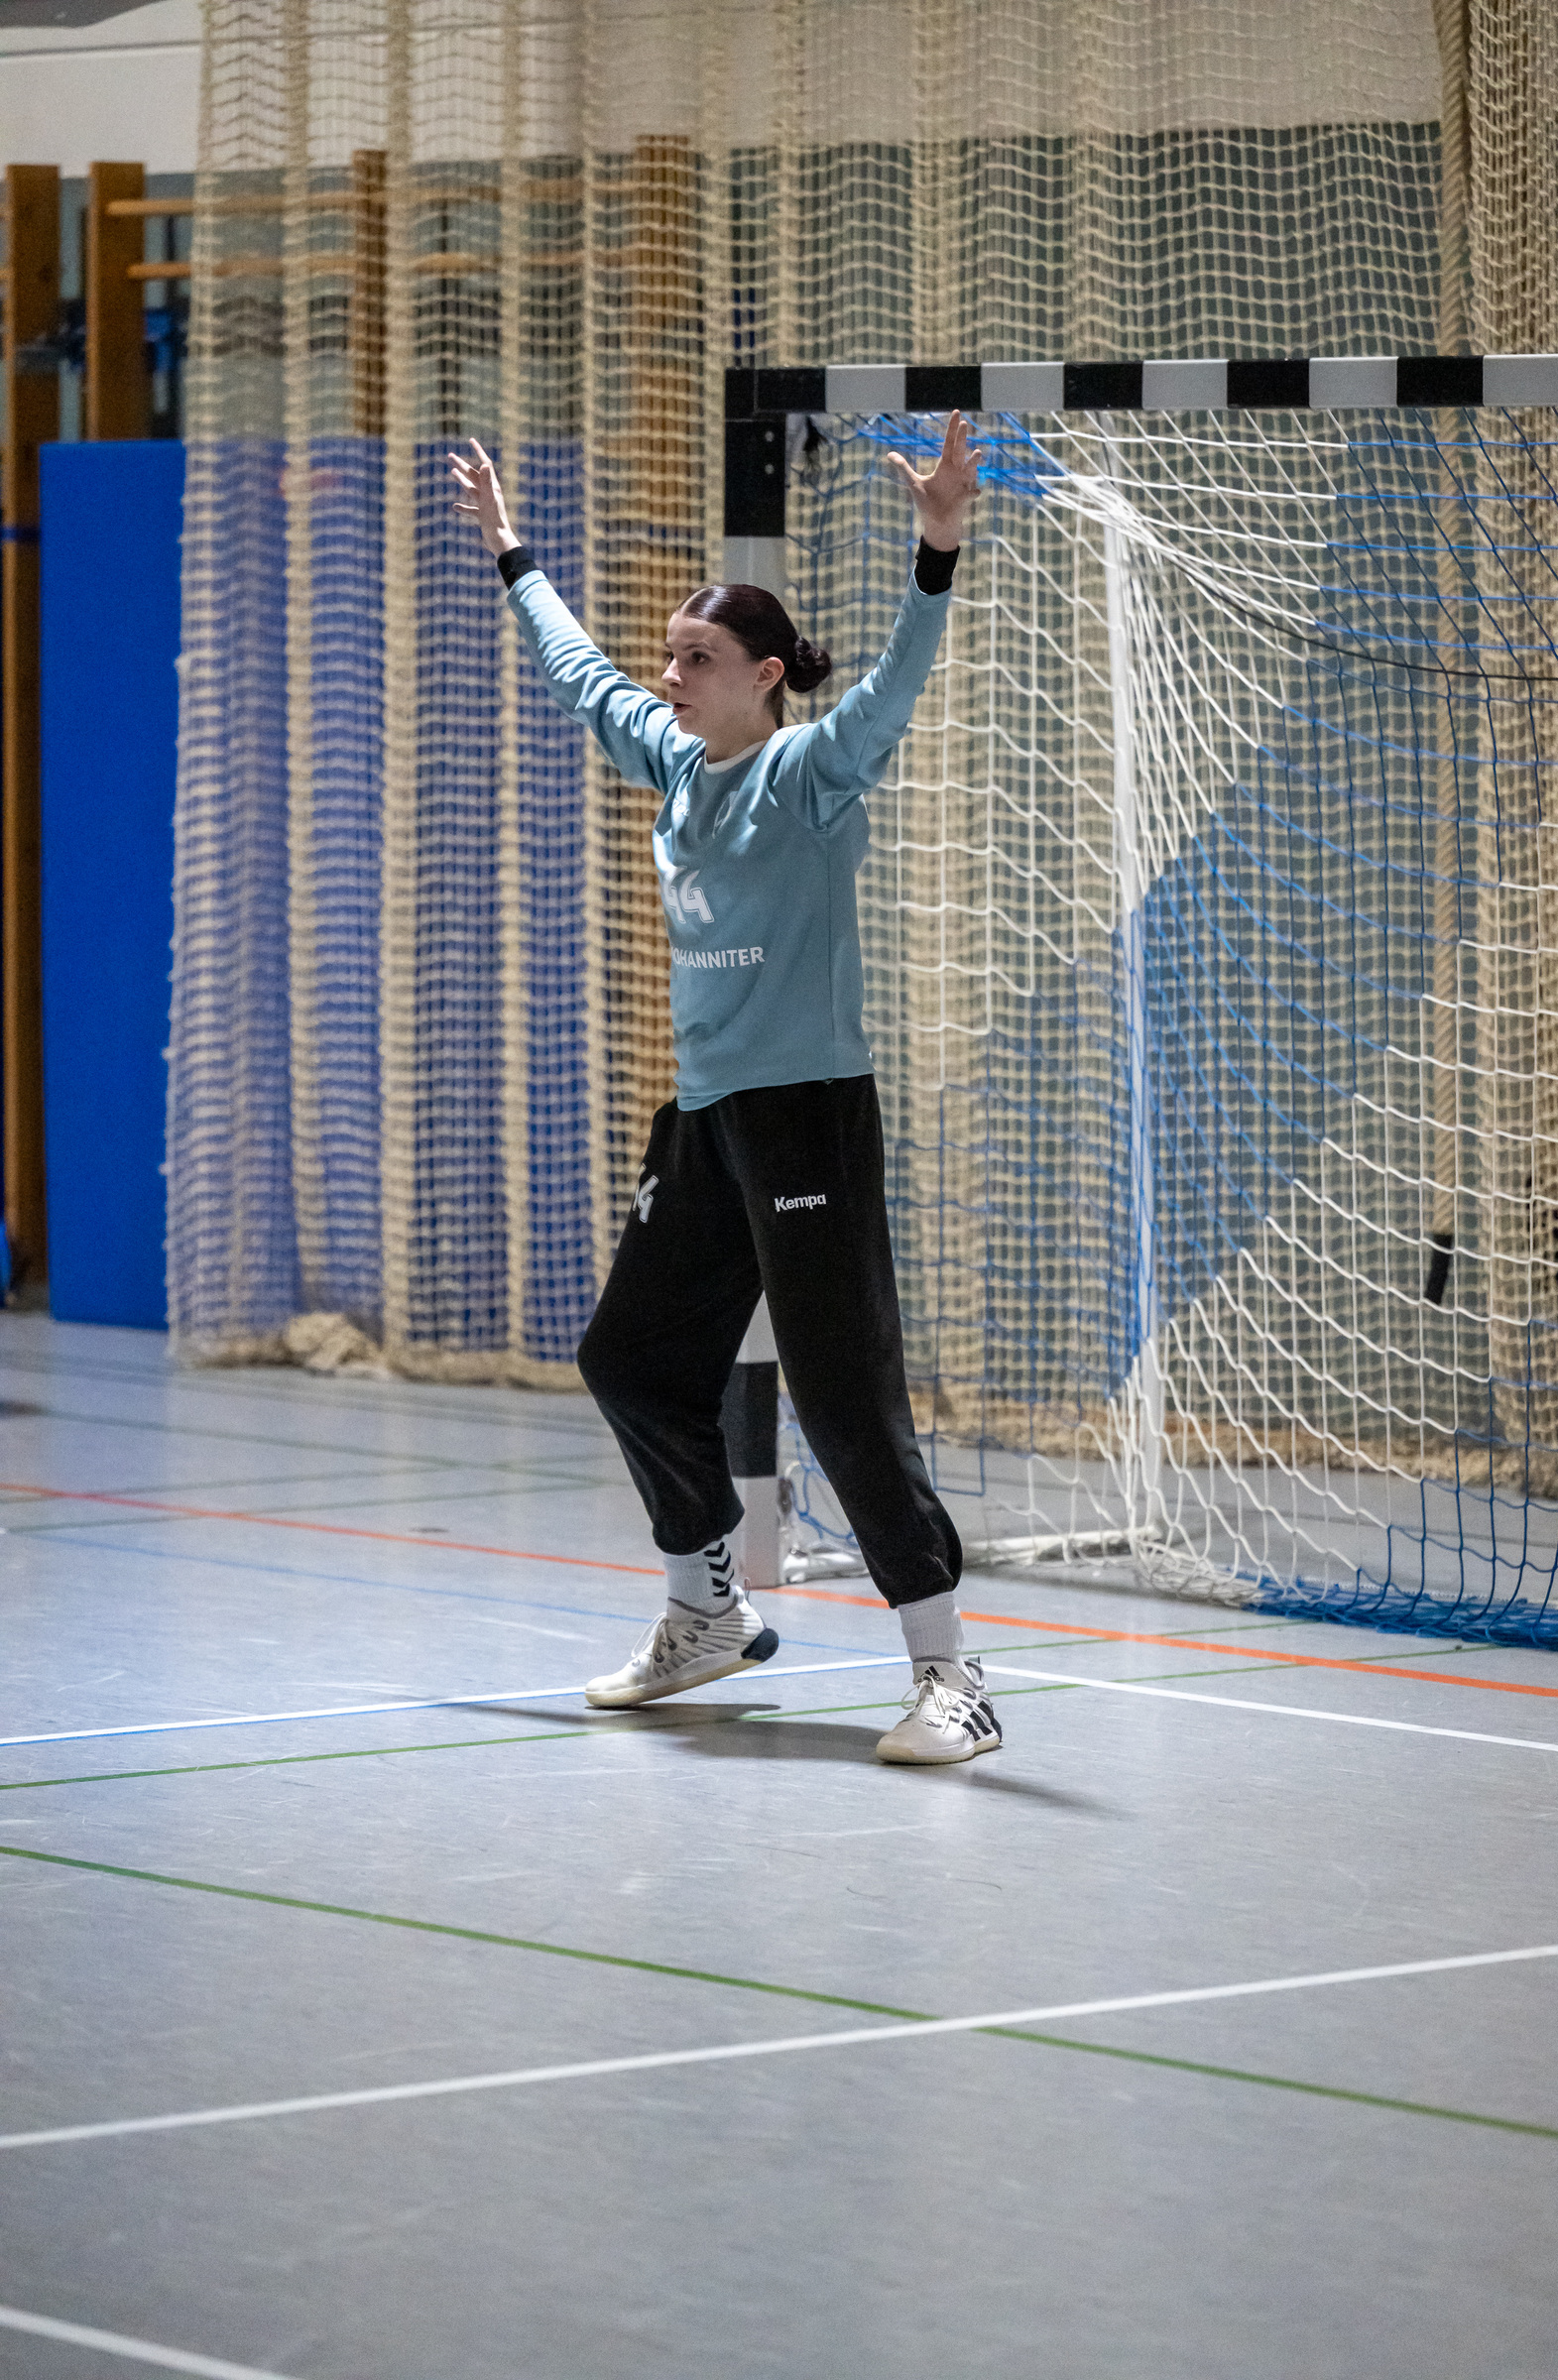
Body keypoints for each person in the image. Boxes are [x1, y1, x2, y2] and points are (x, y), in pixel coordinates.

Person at [447, 413, 999, 1766]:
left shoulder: (809, 775)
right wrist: (513, 552)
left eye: (697, 658)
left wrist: (935, 551)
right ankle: (706, 1612)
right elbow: (580, 674)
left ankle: (952, 1677)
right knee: (631, 1361)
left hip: (808, 1116)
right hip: (705, 1122)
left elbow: (893, 689)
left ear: (765, 676)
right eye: (671, 656)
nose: (671, 674)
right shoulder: (674, 764)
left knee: (841, 1394)